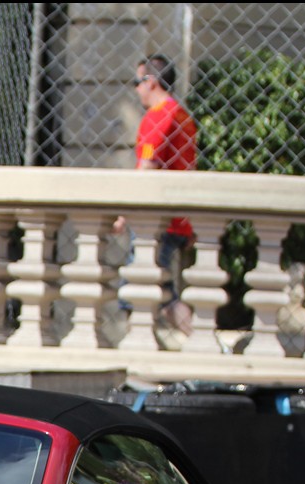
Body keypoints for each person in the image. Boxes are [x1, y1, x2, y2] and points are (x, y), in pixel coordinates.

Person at [118, 54, 198, 338]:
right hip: (178, 219)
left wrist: (124, 213)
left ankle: (140, 348)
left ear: (151, 82)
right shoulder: (182, 115)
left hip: (157, 222)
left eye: (137, 82)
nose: (136, 89)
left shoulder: (158, 116)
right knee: (161, 291)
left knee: (140, 289)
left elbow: (147, 170)